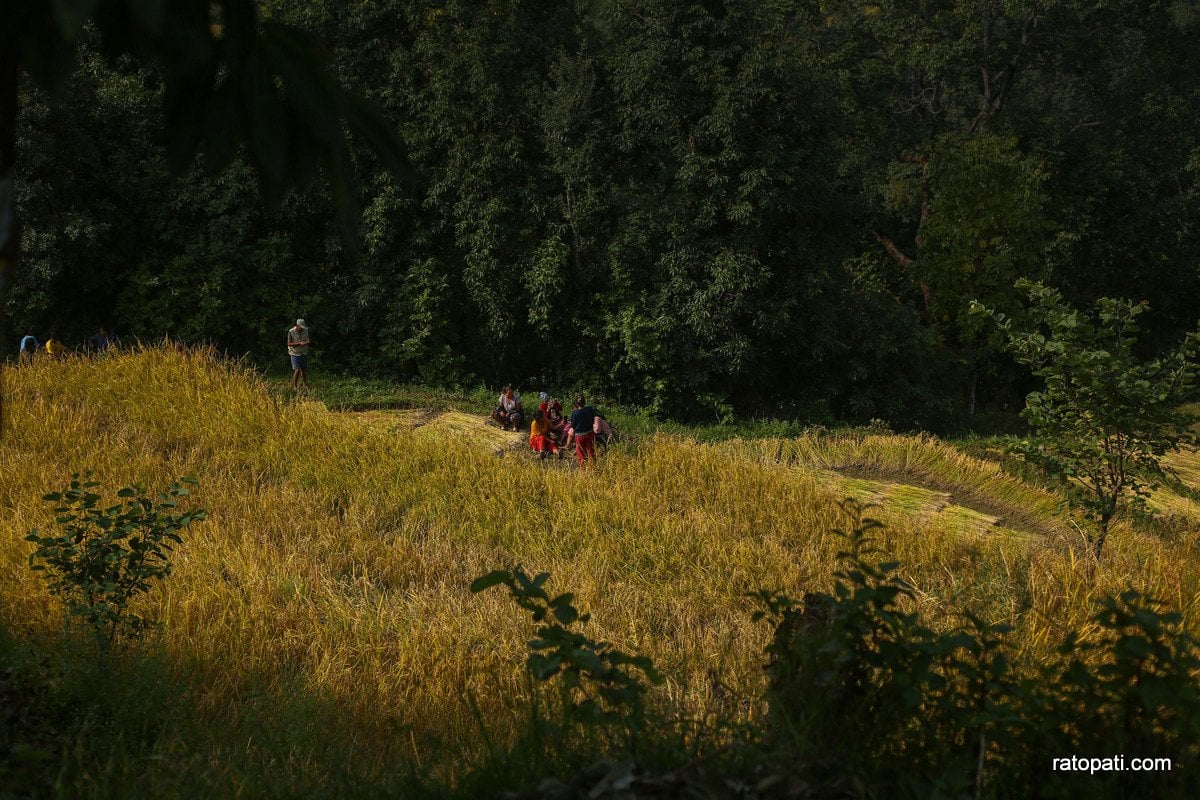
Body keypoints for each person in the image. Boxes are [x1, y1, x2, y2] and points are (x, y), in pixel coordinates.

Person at [569, 395, 599, 467]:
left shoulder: (574, 413)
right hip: (589, 432)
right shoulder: (590, 409)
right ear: (585, 402)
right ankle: (594, 467)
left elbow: (573, 425)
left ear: (576, 403)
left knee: (581, 453)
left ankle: (584, 470)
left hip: (579, 435)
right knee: (591, 451)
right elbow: (593, 418)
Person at [287, 318, 311, 391]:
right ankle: (294, 386)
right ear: (297, 325)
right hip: (294, 353)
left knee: (303, 369)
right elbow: (289, 343)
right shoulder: (291, 331)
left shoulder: (306, 330)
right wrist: (299, 343)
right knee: (297, 370)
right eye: (301, 327)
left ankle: (305, 384)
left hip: (304, 351)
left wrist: (307, 341)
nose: (302, 329)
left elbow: (308, 339)